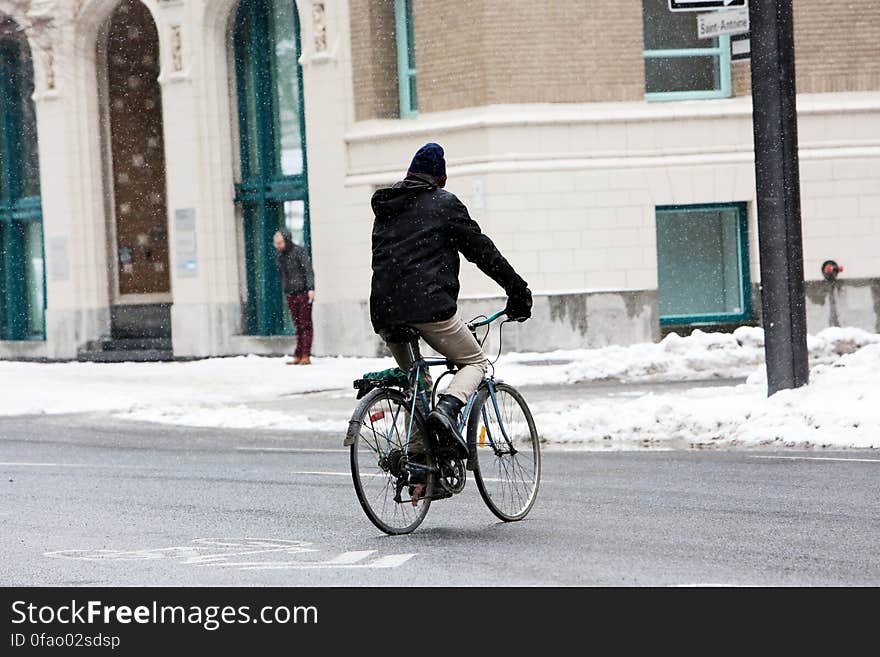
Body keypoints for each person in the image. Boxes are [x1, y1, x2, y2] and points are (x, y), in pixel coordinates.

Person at [369, 142, 532, 499]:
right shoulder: (444, 204)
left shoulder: (386, 208)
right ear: (440, 178)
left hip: (385, 313)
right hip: (428, 308)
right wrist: (517, 290)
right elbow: (482, 251)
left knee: (416, 385)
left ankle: (420, 468)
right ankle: (448, 408)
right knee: (475, 361)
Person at [274, 228, 315, 365]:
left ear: (286, 240)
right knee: (297, 325)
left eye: (280, 243)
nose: (278, 246)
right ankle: (298, 353)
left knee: (305, 324)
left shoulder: (299, 252)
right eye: (276, 243)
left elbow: (308, 270)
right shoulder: (280, 256)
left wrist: (310, 288)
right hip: (290, 293)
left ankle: (305, 354)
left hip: (303, 292)